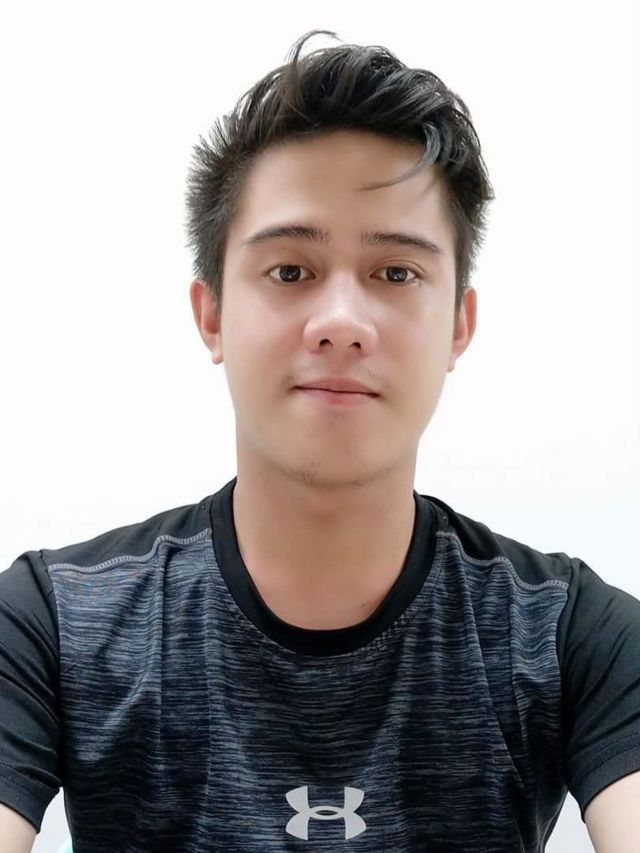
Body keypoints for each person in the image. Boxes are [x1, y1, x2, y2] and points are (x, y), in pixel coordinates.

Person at [1, 28, 638, 853]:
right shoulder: (51, 621)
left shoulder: (570, 632)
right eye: (291, 271)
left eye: (396, 273)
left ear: (459, 324)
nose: (341, 321)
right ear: (211, 313)